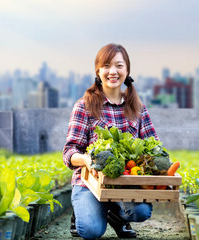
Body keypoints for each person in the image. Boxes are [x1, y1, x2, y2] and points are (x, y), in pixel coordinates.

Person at [63, 43, 160, 240]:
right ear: (98, 71)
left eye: (119, 66)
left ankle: (116, 216)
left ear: (127, 70)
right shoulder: (84, 106)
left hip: (126, 183)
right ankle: (82, 211)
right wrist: (88, 160)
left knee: (141, 212)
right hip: (89, 183)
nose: (113, 71)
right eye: (106, 65)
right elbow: (69, 152)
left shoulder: (138, 108)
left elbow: (154, 146)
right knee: (90, 231)